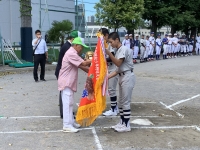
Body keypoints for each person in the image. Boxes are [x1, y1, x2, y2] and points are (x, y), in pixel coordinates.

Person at [58, 37, 91, 133]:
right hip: (66, 82)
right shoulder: (71, 53)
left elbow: (81, 65)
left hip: (69, 82)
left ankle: (71, 122)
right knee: (67, 103)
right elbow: (84, 63)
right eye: (81, 47)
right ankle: (66, 125)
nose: (82, 49)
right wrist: (94, 60)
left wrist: (91, 70)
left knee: (70, 103)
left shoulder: (73, 53)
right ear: (76, 45)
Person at [105, 32, 135, 132]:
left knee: (125, 102)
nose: (111, 44)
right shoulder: (118, 51)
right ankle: (122, 122)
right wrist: (106, 78)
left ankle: (126, 125)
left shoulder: (124, 49)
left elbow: (117, 63)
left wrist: (109, 53)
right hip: (122, 75)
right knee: (121, 102)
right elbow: (117, 70)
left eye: (111, 42)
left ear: (117, 40)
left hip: (127, 76)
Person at [55, 30, 79, 119]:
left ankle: (67, 114)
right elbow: (78, 62)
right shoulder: (67, 47)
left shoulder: (68, 46)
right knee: (65, 94)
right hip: (63, 72)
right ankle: (64, 114)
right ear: (73, 39)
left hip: (64, 71)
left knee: (66, 94)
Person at [101, 28, 119, 116]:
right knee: (111, 89)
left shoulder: (111, 44)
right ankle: (115, 107)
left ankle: (113, 109)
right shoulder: (105, 44)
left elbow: (111, 57)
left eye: (102, 36)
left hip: (114, 68)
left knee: (112, 89)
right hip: (109, 69)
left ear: (106, 35)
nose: (101, 38)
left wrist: (102, 60)